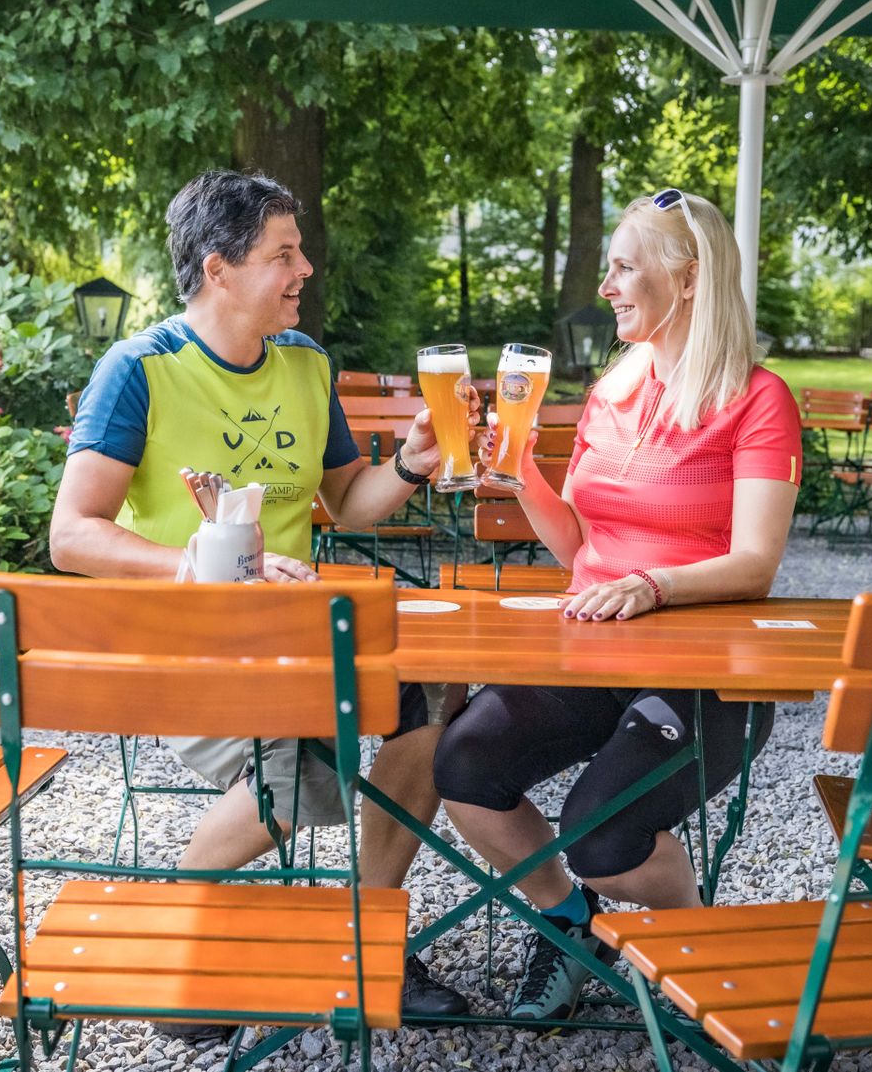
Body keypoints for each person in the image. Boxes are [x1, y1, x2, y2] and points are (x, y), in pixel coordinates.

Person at [48, 169, 473, 1023]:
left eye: (299, 250)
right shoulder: (139, 370)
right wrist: (208, 568)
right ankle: (174, 936)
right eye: (284, 253)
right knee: (307, 766)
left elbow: (346, 500)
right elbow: (72, 534)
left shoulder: (307, 365)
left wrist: (409, 466)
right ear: (219, 269)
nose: (304, 268)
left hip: (298, 637)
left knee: (434, 691)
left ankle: (367, 929)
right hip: (189, 646)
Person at [433, 188, 801, 1023]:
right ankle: (571, 925)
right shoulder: (613, 389)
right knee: (463, 763)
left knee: (600, 833)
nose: (606, 284)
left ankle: (699, 947)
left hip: (708, 674)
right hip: (594, 653)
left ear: (691, 278)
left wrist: (656, 585)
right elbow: (577, 551)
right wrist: (519, 470)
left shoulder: (759, 397)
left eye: (625, 266)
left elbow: (756, 562)